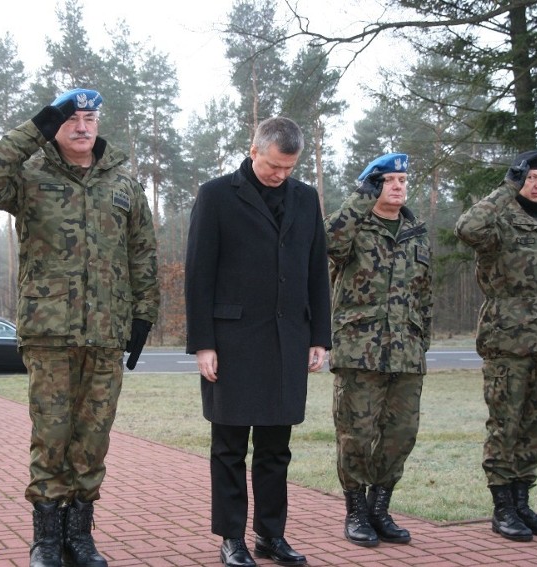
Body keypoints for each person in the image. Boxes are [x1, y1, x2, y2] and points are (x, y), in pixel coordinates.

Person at [0, 87, 159, 567]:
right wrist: (35, 128)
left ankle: (80, 534)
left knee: (93, 438)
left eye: (89, 117)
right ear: (56, 124)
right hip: (49, 332)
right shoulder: (30, 176)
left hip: (107, 333)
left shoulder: (124, 184)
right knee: (51, 437)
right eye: (70, 118)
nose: (82, 127)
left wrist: (143, 315)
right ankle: (46, 538)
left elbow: (143, 252)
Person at [185, 116, 332, 567]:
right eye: (273, 166)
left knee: (276, 450)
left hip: (288, 341)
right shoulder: (216, 195)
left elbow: (315, 271)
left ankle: (271, 536)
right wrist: (203, 343)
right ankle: (231, 538)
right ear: (254, 151)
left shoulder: (306, 199)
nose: (280, 175)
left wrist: (319, 337)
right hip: (231, 343)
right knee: (229, 448)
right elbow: (198, 274)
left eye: (289, 168)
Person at [455, 150, 537, 542]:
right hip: (508, 342)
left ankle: (523, 502)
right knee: (505, 425)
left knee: (536, 427)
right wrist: (506, 190)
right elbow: (466, 228)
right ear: (518, 178)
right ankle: (502, 507)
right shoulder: (499, 220)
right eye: (532, 178)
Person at [323, 153, 432, 547]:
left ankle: (380, 509)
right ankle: (355, 513)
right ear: (372, 184)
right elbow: (324, 242)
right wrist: (358, 199)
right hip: (360, 351)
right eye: (389, 180)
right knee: (356, 434)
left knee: (400, 434)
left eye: (404, 179)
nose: (399, 186)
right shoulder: (355, 225)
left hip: (406, 354)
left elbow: (425, 296)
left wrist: (422, 345)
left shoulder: (416, 231)